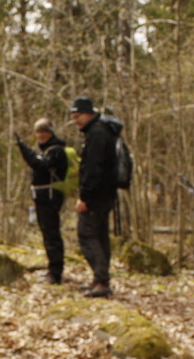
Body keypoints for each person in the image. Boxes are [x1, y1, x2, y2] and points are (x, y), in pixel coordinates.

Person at [70, 96, 119, 298]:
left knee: (87, 234)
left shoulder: (97, 133)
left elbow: (93, 169)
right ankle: (99, 279)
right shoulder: (101, 130)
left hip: (97, 195)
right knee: (99, 235)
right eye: (73, 117)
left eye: (78, 116)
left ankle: (101, 281)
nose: (75, 121)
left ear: (89, 113)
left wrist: (85, 197)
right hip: (104, 194)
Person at [15, 118, 69, 284]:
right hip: (42, 197)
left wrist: (24, 149)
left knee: (52, 235)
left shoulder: (56, 151)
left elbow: (40, 165)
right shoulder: (44, 150)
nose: (41, 135)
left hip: (51, 197)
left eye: (44, 131)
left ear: (51, 132)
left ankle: (55, 273)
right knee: (47, 234)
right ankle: (52, 270)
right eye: (38, 131)